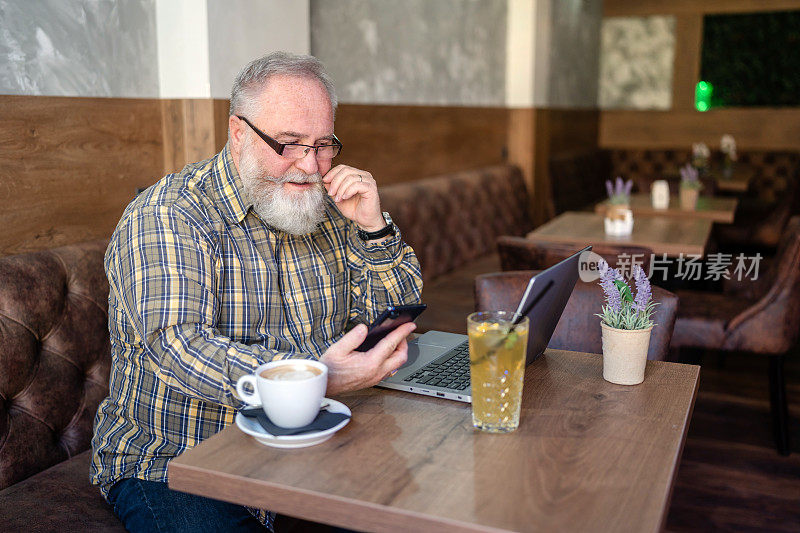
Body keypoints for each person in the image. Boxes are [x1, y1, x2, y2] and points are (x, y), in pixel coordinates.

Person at [90, 51, 423, 532]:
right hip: (178, 462)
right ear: (239, 132)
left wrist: (373, 228)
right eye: (288, 143)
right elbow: (177, 345)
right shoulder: (168, 215)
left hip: (308, 448)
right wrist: (315, 379)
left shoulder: (328, 209)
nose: (309, 165)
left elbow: (394, 316)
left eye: (323, 144)